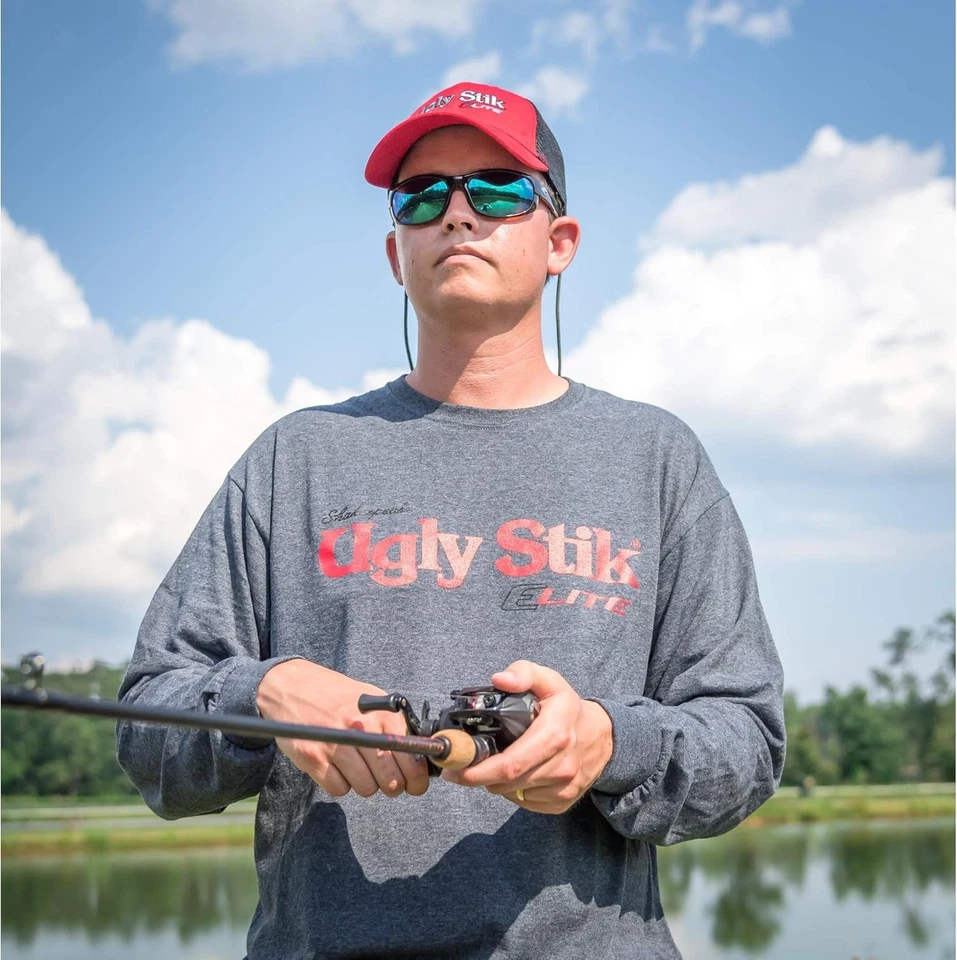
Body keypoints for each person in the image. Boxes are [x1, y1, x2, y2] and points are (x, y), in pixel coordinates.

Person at [116, 81, 786, 960]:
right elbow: (147, 734)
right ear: (395, 253)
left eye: (498, 188)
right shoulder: (295, 458)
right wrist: (264, 694)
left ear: (560, 243)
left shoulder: (656, 458)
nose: (457, 214)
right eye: (421, 195)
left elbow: (745, 740)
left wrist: (605, 741)